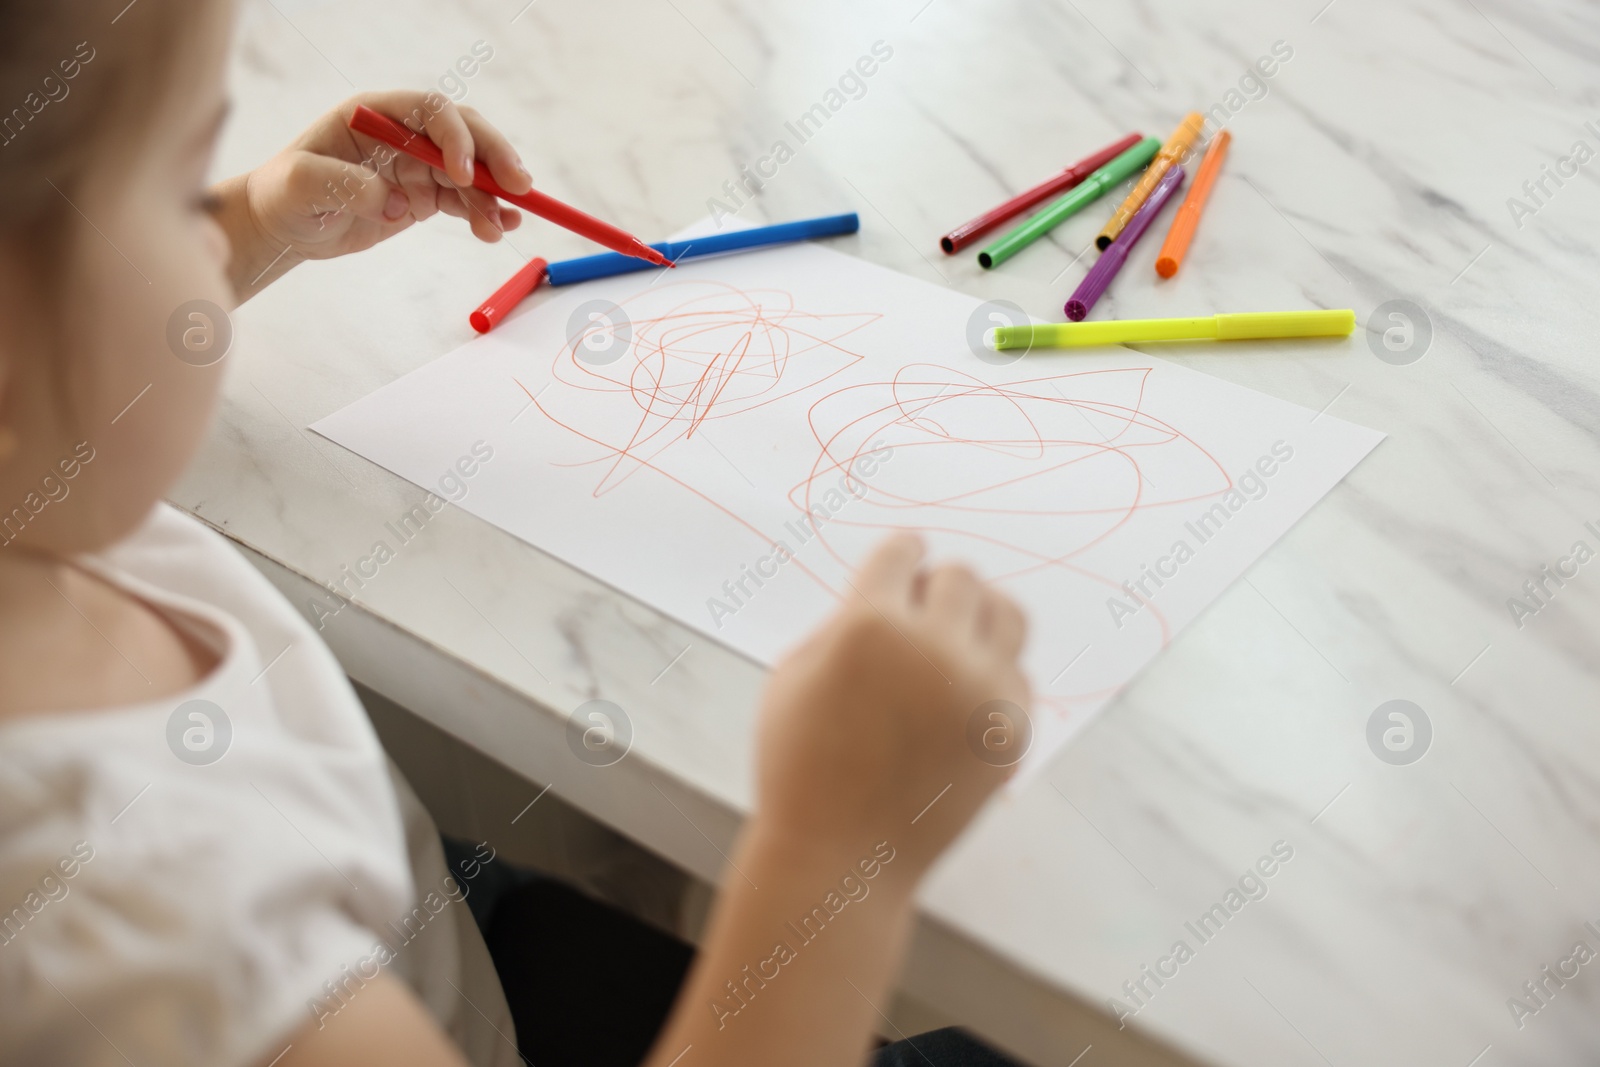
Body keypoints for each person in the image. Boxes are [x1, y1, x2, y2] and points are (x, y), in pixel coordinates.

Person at [0, 2, 1032, 1065]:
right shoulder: (153, 947)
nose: (210, 216)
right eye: (181, 188)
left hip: (417, 921)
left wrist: (261, 218)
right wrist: (832, 857)